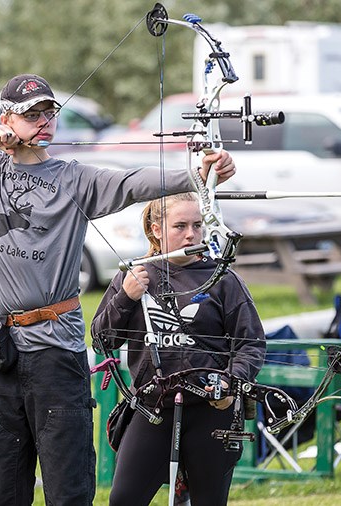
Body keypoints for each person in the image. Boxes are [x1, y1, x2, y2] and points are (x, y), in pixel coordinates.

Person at [0, 73, 236, 505]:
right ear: (7, 119)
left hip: (55, 354)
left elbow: (137, 183)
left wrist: (200, 172)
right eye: (31, 114)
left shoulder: (76, 179)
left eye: (49, 113)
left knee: (68, 488)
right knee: (3, 491)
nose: (44, 122)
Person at [91, 192, 265, 505]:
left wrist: (229, 383)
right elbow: (102, 339)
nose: (191, 234)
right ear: (156, 230)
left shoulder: (223, 279)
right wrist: (125, 297)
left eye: (197, 226)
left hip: (211, 408)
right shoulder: (134, 276)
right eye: (180, 226)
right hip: (153, 408)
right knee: (123, 498)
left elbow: (251, 344)